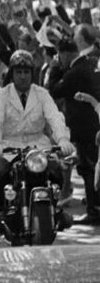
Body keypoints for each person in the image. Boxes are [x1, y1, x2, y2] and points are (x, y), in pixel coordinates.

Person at [0, 50, 75, 227]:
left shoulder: (42, 94)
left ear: (32, 74)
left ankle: (54, 210)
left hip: (38, 147)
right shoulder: (3, 95)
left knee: (56, 172)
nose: (23, 77)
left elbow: (54, 117)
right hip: (9, 146)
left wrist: (63, 139)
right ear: (12, 74)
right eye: (19, 72)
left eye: (26, 72)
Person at [48, 25, 100, 225]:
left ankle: (94, 211)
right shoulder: (91, 64)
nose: (59, 61)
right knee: (93, 168)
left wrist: (54, 69)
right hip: (93, 125)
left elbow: (54, 90)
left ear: (66, 54)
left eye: (60, 57)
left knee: (88, 170)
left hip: (85, 129)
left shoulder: (74, 72)